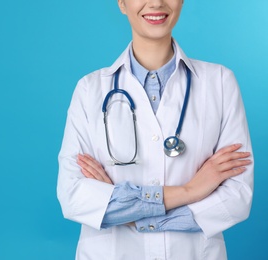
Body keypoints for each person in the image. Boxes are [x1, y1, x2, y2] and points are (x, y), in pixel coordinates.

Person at [57, 0, 253, 259]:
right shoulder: (89, 90)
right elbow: (74, 197)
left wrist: (125, 209)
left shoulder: (219, 83)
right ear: (122, 3)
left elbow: (236, 198)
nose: (156, 3)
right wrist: (191, 191)